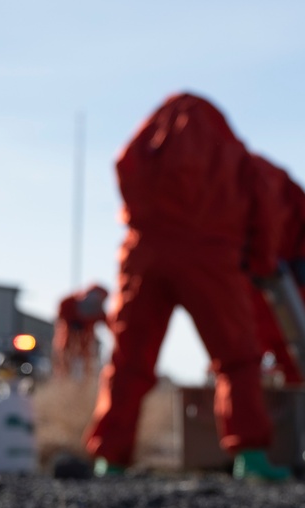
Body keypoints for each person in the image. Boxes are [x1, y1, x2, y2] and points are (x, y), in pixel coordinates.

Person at [83, 93, 291, 481]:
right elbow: (264, 208)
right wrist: (258, 264)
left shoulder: (149, 135)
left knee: (128, 361)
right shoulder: (235, 152)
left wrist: (144, 218)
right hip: (212, 258)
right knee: (237, 360)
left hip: (145, 254)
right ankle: (251, 458)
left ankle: (108, 459)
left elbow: (121, 164)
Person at [248, 153, 305, 436]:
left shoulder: (282, 184)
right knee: (241, 367)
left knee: (303, 368)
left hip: (288, 292)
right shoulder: (224, 180)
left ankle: (304, 441)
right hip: (248, 293)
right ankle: (247, 444)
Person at [53, 284, 108, 379]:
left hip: (86, 348)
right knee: (65, 369)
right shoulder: (68, 303)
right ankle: (66, 387)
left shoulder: (98, 312)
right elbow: (60, 315)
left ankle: (82, 390)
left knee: (85, 373)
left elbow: (110, 322)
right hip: (67, 344)